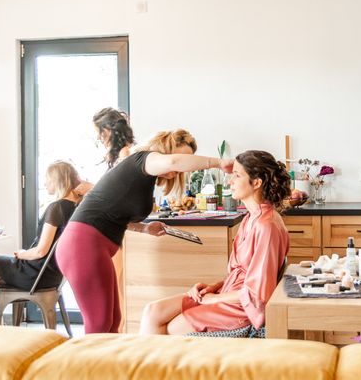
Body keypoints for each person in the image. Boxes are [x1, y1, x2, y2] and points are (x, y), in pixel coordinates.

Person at [56, 129, 234, 334]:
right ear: (166, 150)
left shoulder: (144, 176)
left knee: (113, 320)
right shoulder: (144, 159)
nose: (179, 169)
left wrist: (145, 228)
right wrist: (220, 162)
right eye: (183, 157)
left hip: (91, 244)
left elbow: (115, 215)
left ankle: (106, 366)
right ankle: (83, 366)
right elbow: (174, 162)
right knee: (99, 323)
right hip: (83, 244)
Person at [139, 150, 290, 335]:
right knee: (152, 311)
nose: (230, 181)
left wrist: (212, 299)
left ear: (256, 182)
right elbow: (243, 273)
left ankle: (160, 363)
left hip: (242, 308)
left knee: (172, 329)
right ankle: (150, 364)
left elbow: (258, 294)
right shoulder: (250, 218)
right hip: (229, 294)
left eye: (236, 175)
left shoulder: (267, 226)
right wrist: (214, 287)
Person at [0, 161, 82, 324]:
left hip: (37, 274)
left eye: (47, 179)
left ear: (57, 180)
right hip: (54, 275)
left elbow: (40, 251)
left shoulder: (56, 208)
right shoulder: (76, 207)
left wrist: (23, 254)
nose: (45, 183)